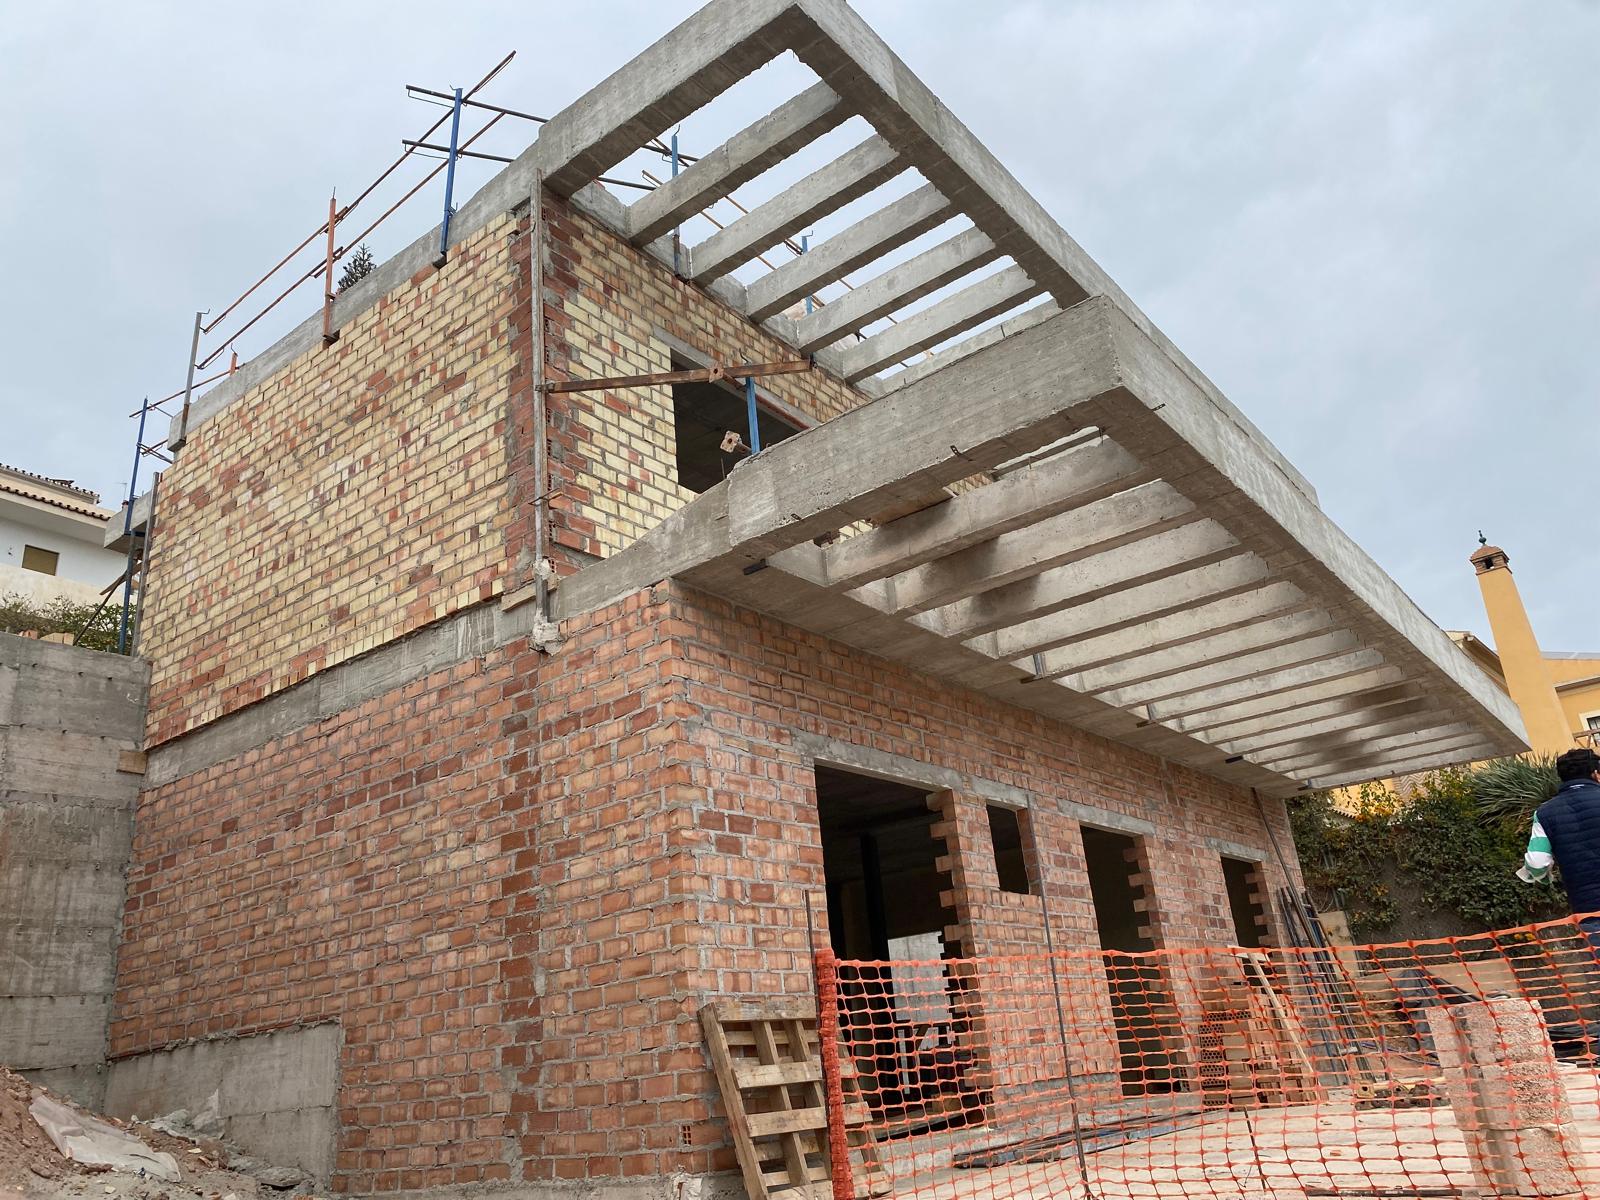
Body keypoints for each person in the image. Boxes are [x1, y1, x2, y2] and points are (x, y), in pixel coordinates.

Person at [1519, 748, 1600, 923]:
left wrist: (1545, 877)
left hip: (1587, 910)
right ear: (1595, 774)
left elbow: (1537, 863)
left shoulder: (1544, 813)